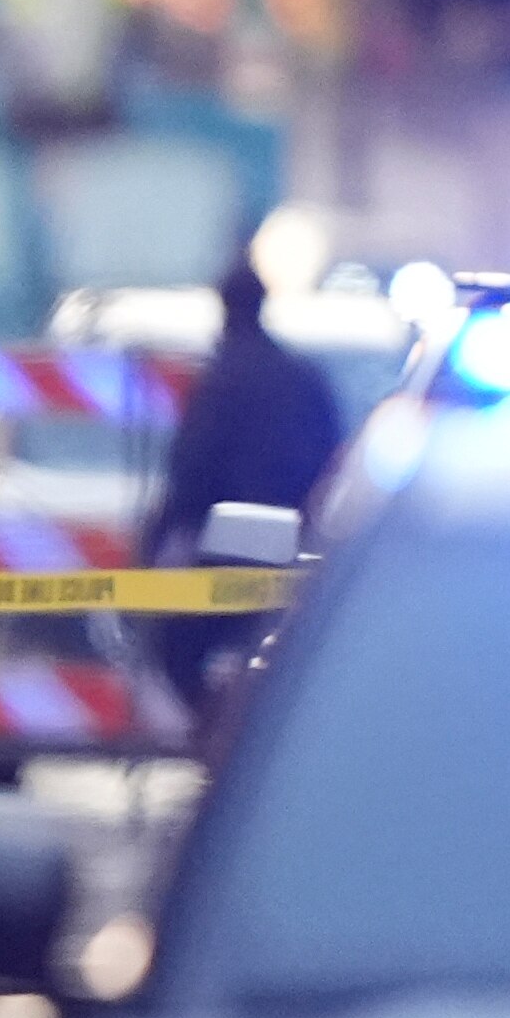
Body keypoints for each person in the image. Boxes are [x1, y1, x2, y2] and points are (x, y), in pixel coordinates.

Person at [143, 256, 344, 724]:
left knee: (179, 647)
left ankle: (218, 737)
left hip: (228, 547)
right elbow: (334, 461)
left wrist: (159, 541)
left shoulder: (221, 380)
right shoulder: (302, 377)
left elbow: (191, 471)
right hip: (298, 548)